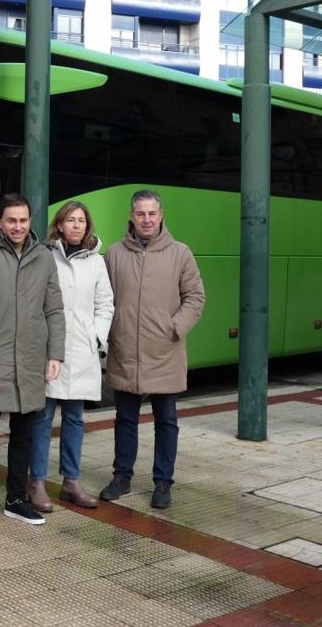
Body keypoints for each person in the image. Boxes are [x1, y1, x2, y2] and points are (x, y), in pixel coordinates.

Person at [0, 193, 65, 531]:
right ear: (0, 222)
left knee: (24, 437)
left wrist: (55, 354)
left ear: (30, 221)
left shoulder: (45, 258)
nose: (18, 227)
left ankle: (16, 500)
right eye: (11, 220)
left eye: (23, 220)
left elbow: (54, 310)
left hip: (32, 360)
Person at [100, 190, 205, 510]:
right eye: (140, 214)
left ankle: (163, 482)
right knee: (125, 419)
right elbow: (102, 299)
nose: (146, 219)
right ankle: (121, 477)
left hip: (165, 353)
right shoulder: (114, 254)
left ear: (161, 216)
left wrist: (174, 328)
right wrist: (111, 332)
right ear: (131, 217)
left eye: (152, 214)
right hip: (126, 352)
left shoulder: (181, 253)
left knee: (166, 421)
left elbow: (196, 298)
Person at [28, 201, 114, 512]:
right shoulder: (45, 257)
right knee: (43, 418)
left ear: (87, 226)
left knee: (75, 419)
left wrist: (95, 336)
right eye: (70, 220)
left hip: (82, 350)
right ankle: (36, 481)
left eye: (81, 220)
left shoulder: (96, 262)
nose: (76, 225)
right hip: (50, 350)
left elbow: (106, 304)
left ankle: (71, 482)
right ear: (60, 225)